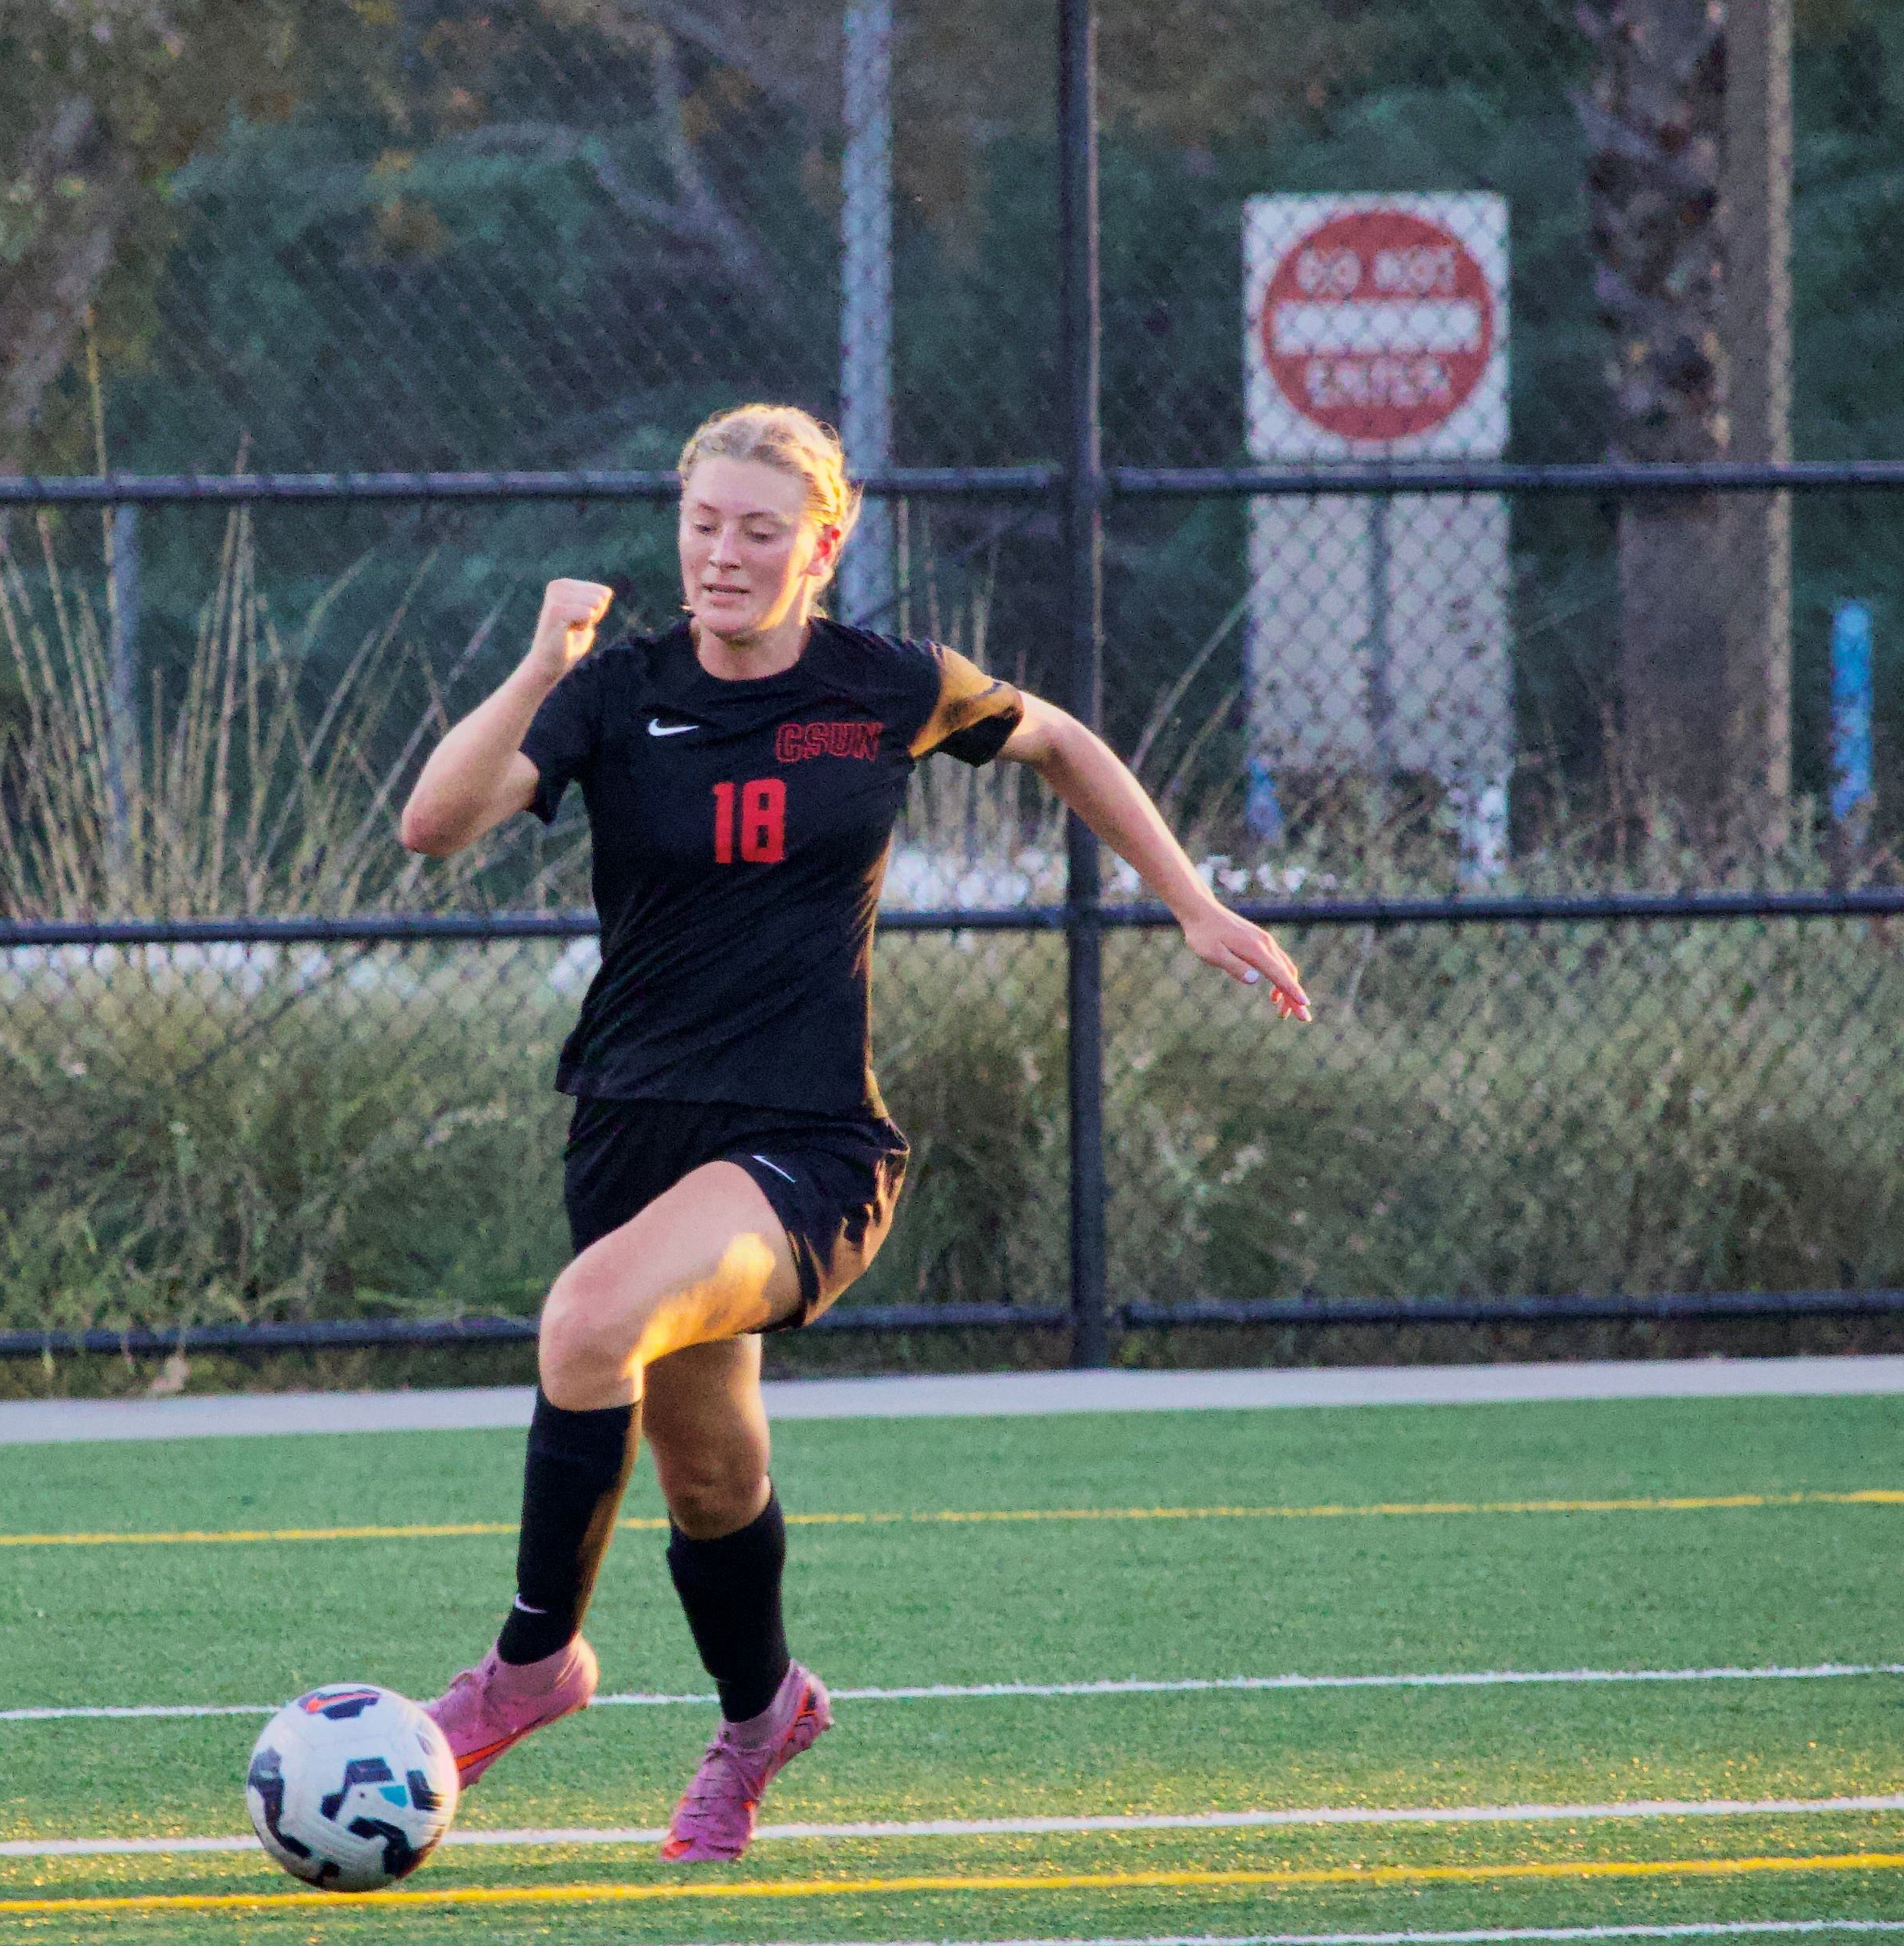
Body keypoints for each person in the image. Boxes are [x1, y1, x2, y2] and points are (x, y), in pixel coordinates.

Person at [394, 402, 1312, 1861]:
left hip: (809, 1143)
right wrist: (544, 662)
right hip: (633, 1130)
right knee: (709, 1477)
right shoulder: (618, 692)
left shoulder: (889, 684)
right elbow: (434, 825)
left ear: (824, 544)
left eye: (760, 530)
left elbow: (1060, 740)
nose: (723, 554)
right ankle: (762, 1716)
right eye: (703, 523)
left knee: (585, 1320)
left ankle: (529, 1666)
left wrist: (1192, 902)